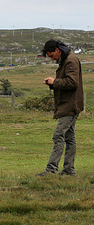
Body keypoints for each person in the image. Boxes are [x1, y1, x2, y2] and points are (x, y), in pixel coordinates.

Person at [36, 39, 84, 176]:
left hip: (70, 105)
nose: (52, 59)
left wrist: (54, 81)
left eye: (52, 56)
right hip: (69, 104)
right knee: (69, 137)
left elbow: (72, 82)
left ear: (57, 50)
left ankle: (51, 170)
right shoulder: (67, 59)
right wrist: (53, 84)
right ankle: (69, 170)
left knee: (58, 136)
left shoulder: (70, 60)